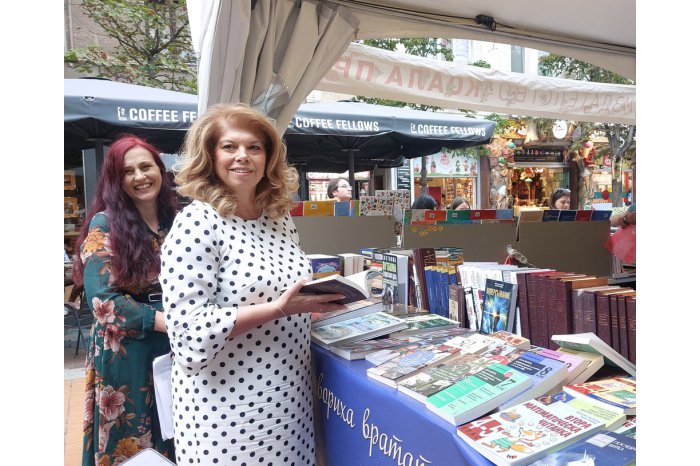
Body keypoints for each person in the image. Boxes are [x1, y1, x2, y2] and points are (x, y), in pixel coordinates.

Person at [159, 103, 347, 466]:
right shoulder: (196, 223)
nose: (242, 156)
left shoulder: (278, 220)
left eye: (254, 147)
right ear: (210, 156)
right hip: (227, 410)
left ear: (268, 158)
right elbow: (188, 334)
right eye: (229, 147)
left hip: (289, 398)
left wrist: (316, 306)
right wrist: (278, 309)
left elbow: (287, 291)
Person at [72, 135, 179, 465]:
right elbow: (102, 301)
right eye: (128, 171)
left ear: (160, 170)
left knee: (175, 426)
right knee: (132, 436)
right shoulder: (104, 223)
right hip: (128, 348)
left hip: (176, 341)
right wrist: (164, 322)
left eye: (146, 166)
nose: (140, 176)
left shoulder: (179, 219)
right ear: (116, 181)